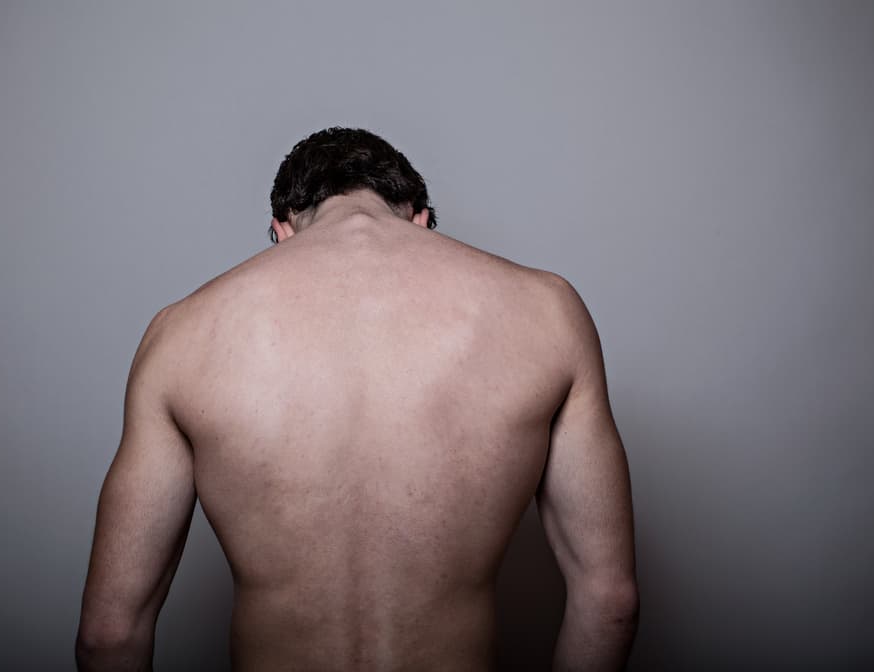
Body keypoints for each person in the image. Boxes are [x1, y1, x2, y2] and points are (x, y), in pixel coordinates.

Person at [76, 127, 638, 671]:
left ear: (282, 231)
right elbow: (609, 602)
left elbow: (109, 635)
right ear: (420, 219)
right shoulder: (548, 313)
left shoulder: (182, 334)